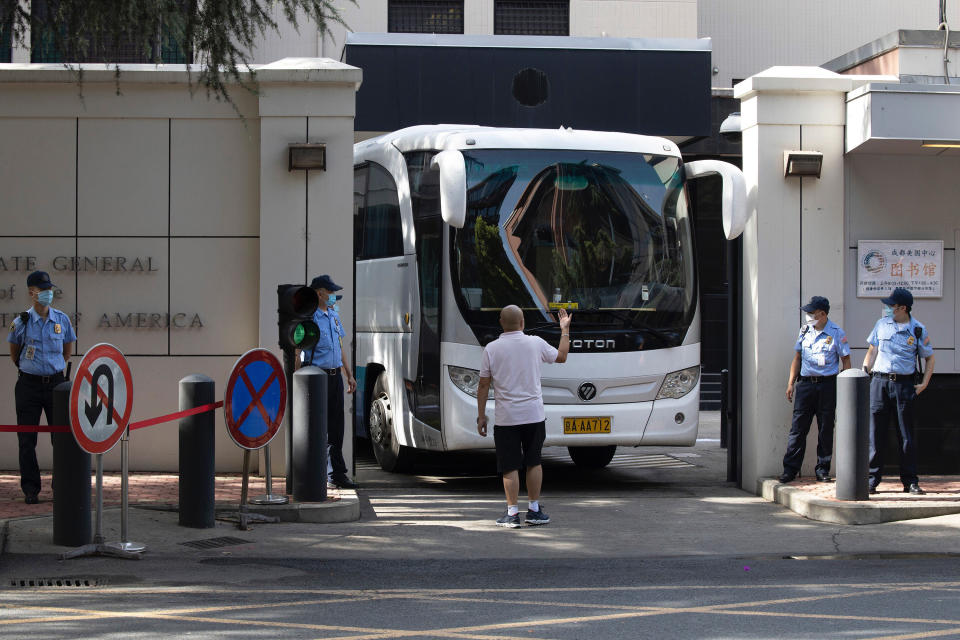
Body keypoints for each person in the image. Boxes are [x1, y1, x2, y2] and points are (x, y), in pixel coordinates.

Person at [477, 305, 571, 528]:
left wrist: (481, 415)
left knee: (509, 466)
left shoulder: (491, 349)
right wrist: (564, 329)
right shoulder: (535, 343)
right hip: (533, 415)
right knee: (533, 462)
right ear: (522, 323)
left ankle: (511, 514)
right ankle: (534, 510)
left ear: (501, 322)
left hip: (506, 418)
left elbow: (483, 384)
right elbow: (562, 356)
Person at [7, 271, 76, 504]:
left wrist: (53, 370)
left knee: (61, 438)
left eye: (49, 289)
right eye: (42, 289)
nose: (48, 293)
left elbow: (67, 351)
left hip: (57, 384)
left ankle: (62, 485)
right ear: (31, 292)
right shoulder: (20, 323)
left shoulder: (62, 320)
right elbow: (15, 354)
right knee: (27, 439)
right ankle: (30, 489)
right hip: (29, 386)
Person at [862, 287, 934, 495]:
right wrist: (865, 370)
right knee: (876, 433)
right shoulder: (881, 325)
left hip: (903, 385)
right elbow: (872, 350)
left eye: (891, 305)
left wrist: (925, 383)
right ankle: (872, 480)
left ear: (903, 308)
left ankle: (910, 482)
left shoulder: (918, 329)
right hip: (879, 383)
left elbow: (930, 358)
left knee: (906, 435)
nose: (887, 308)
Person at [779, 296, 851, 483]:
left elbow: (846, 361)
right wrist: (790, 383)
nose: (808, 316)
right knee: (798, 428)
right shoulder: (805, 331)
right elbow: (797, 357)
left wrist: (845, 388)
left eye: (812, 313)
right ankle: (790, 469)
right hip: (805, 385)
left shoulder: (836, 333)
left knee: (825, 428)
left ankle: (822, 469)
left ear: (823, 314)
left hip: (827, 385)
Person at [301, 274, 358, 490]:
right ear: (319, 293)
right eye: (330, 292)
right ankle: (316, 472)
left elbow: (339, 347)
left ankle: (337, 474)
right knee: (317, 427)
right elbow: (300, 351)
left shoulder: (333, 315)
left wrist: (349, 374)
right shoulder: (310, 318)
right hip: (316, 378)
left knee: (336, 428)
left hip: (335, 377)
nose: (333, 295)